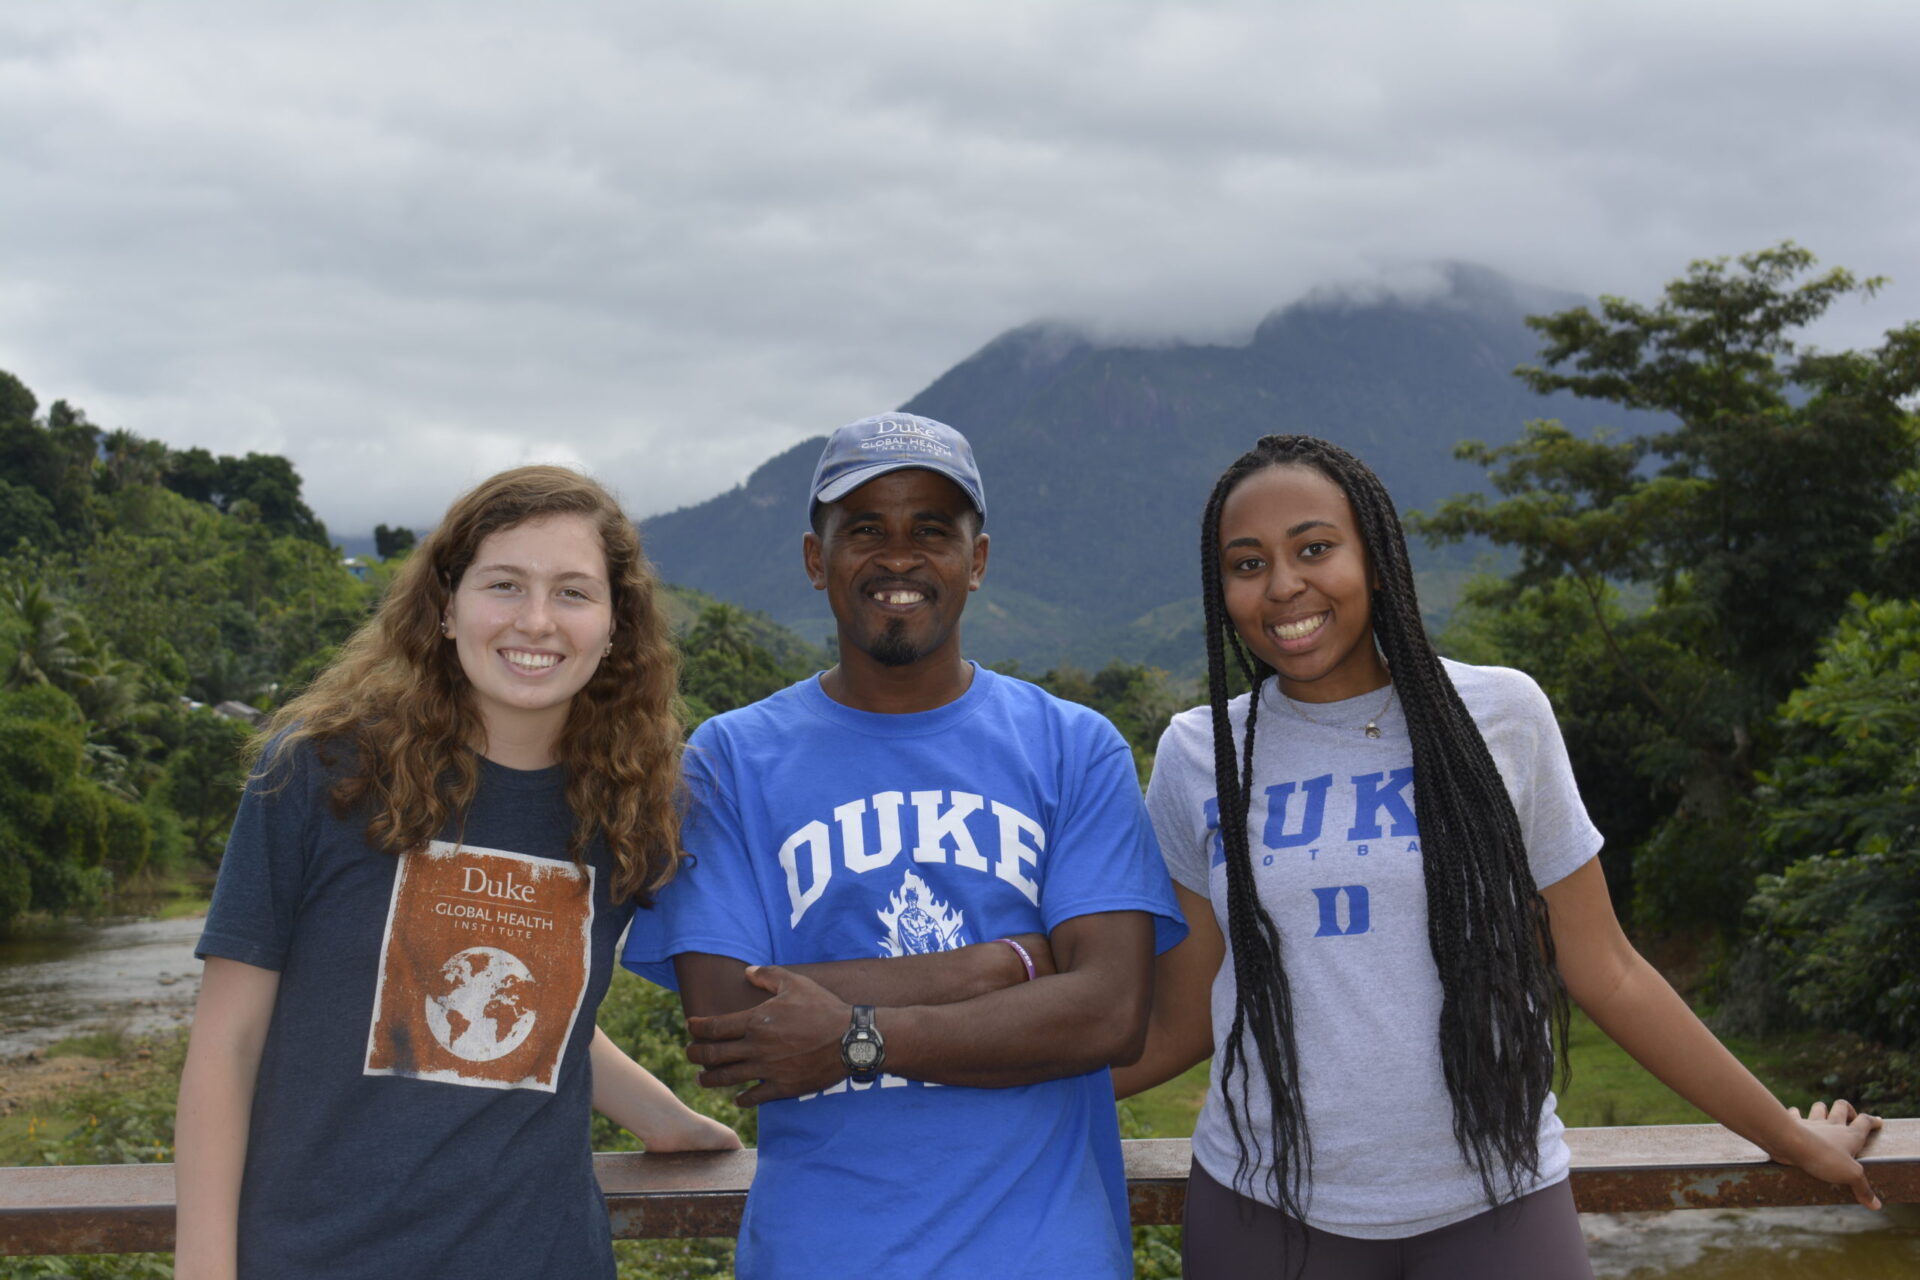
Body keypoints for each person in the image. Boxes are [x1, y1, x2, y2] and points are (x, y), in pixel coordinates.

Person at [1113, 434, 1884, 1279]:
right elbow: (1183, 1017)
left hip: (1494, 1200)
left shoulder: (1500, 717)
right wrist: (971, 1079)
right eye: (1247, 562)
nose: (1284, 584)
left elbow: (1607, 969)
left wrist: (1786, 1134)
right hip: (1266, 1209)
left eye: (1314, 548)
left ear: (1374, 556)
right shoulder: (1198, 754)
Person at [620, 412, 1187, 1278]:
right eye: (865, 531)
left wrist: (852, 1035)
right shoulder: (731, 760)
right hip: (822, 1255)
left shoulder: (1074, 745)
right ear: (818, 560)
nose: (898, 557)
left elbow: (1109, 1012)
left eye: (932, 530)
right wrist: (1000, 966)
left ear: (978, 560)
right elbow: (730, 1023)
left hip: (1047, 1254)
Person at [174, 466, 739, 1280]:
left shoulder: (628, 804)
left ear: (616, 626)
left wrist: (663, 1116)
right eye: (504, 585)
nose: (536, 621)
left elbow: (540, 1004)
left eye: (574, 593)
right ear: (445, 605)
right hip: (319, 1256)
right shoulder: (320, 772)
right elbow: (227, 1043)